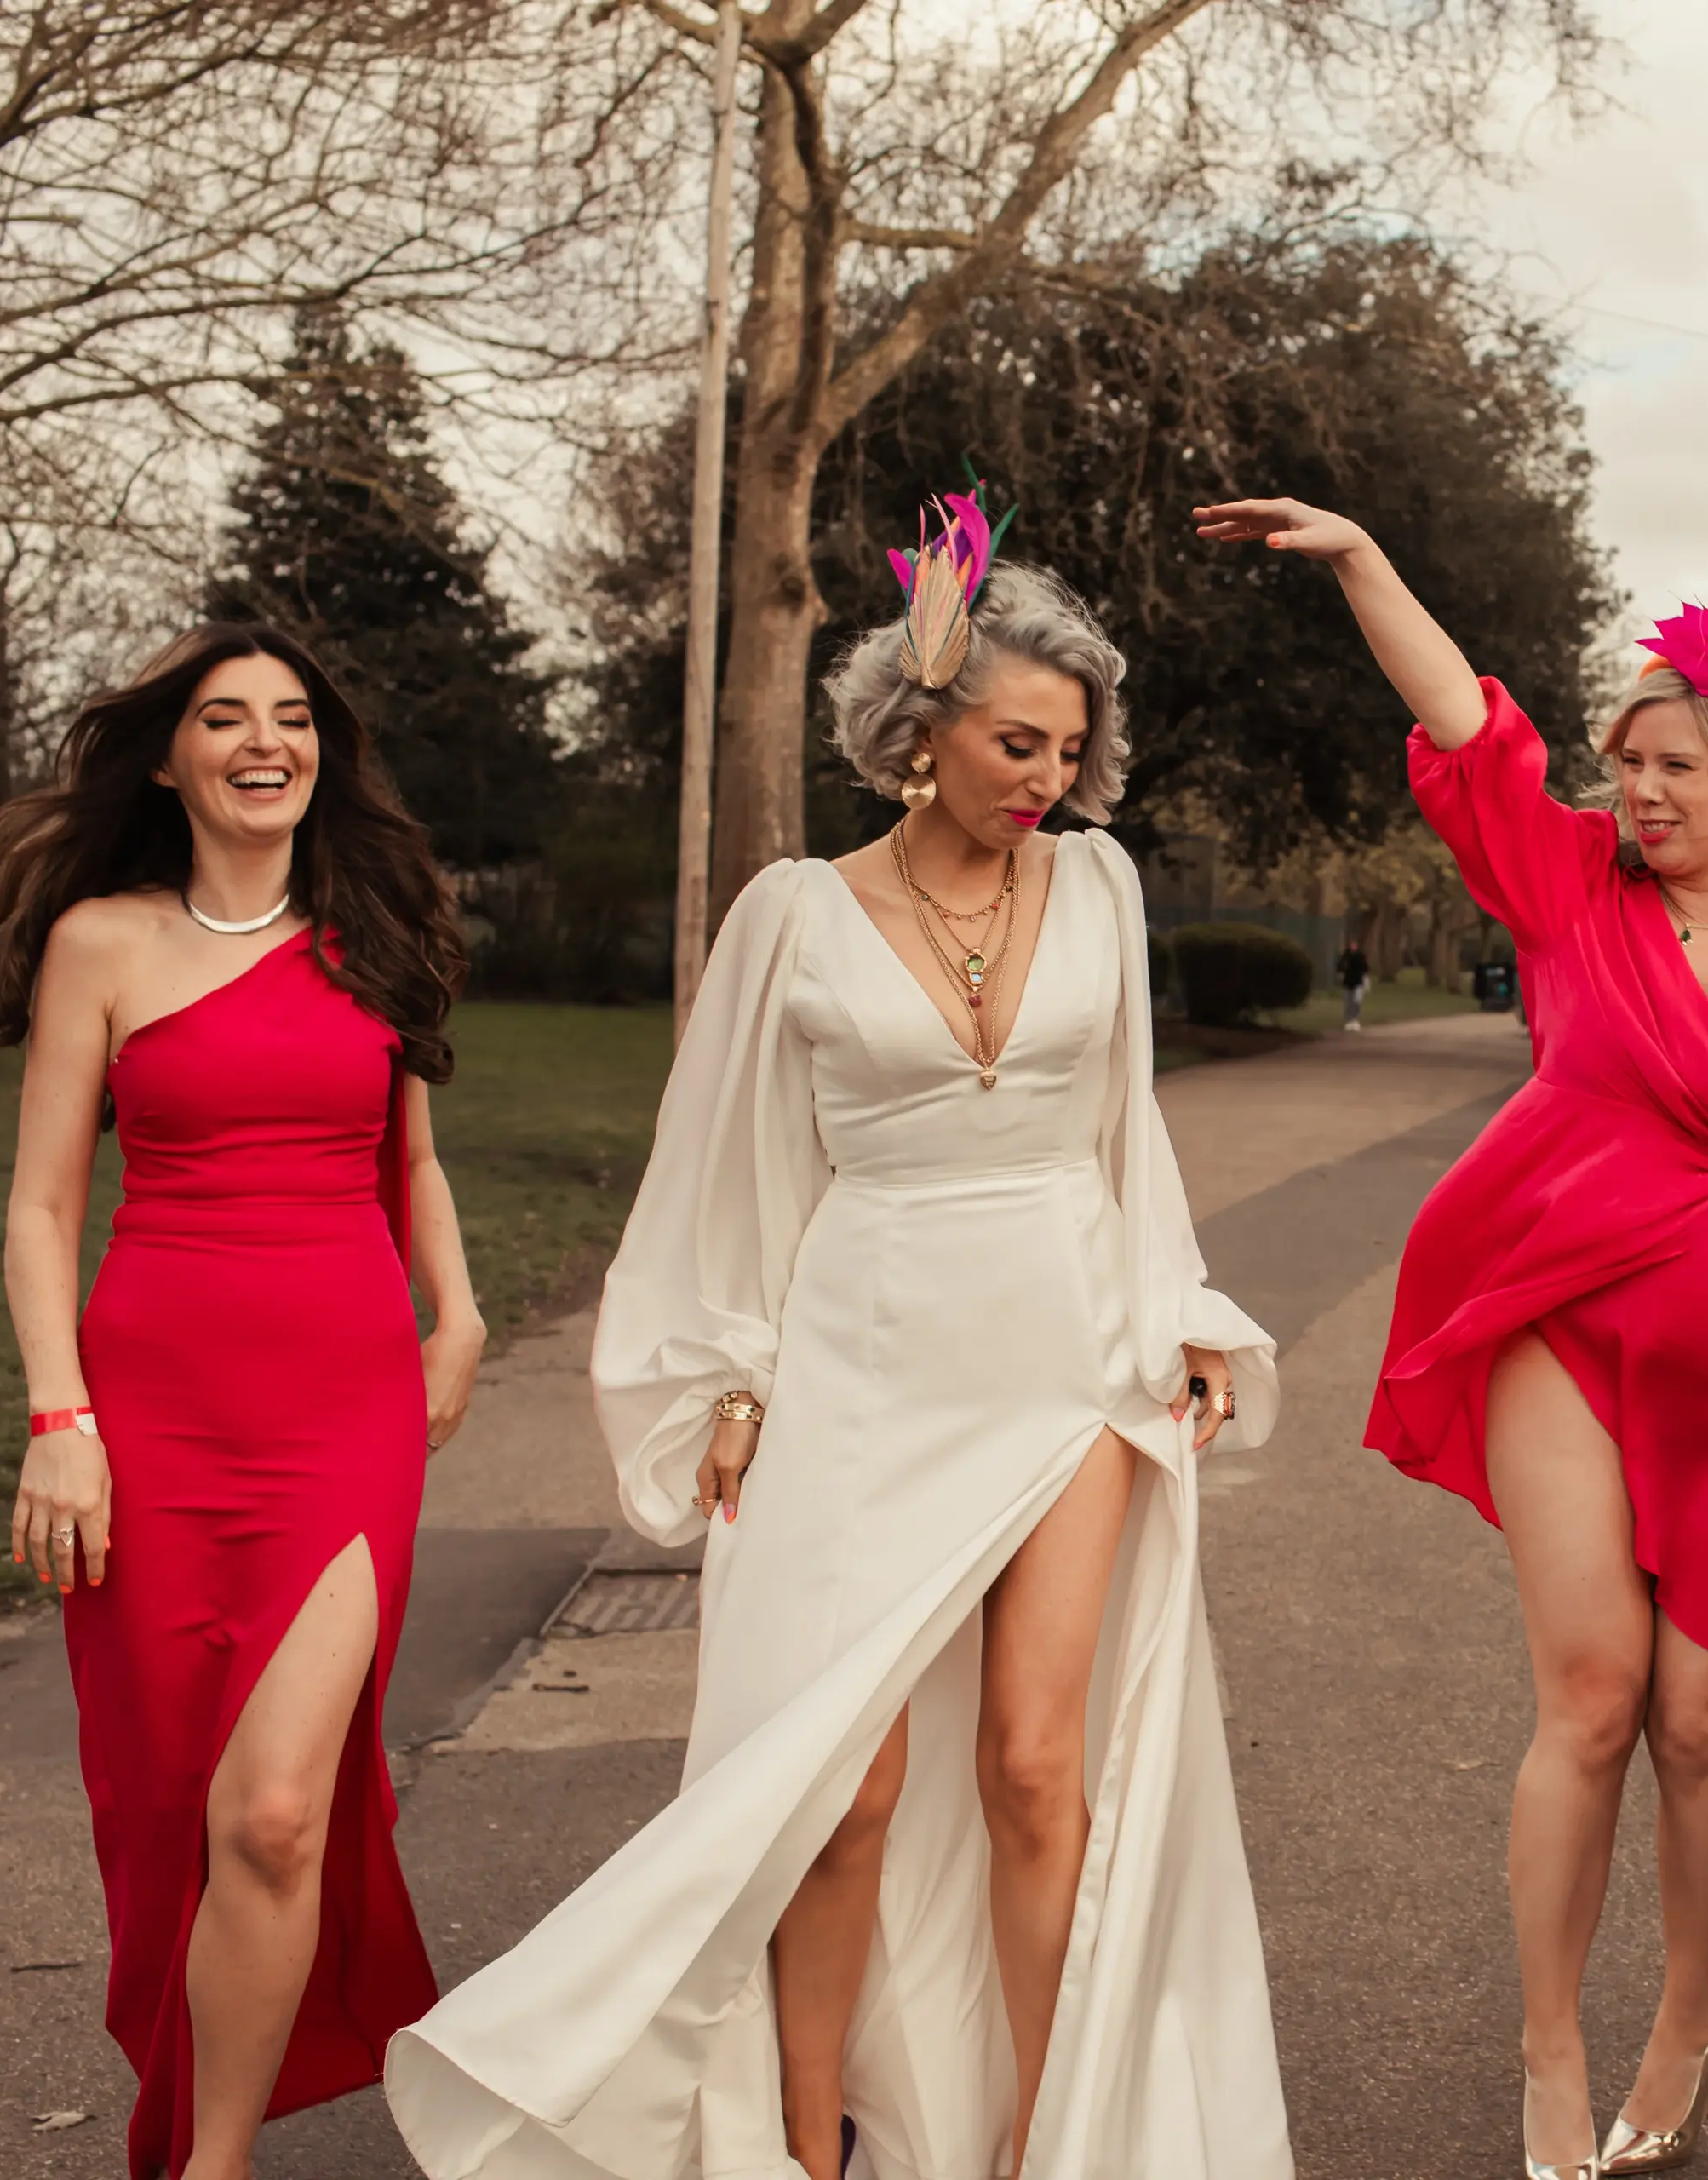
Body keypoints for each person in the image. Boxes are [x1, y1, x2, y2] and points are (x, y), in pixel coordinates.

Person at [385, 515, 1289, 2180]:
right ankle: (809, 2145)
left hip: (1072, 1358)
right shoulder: (790, 915)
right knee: (841, 1793)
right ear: (919, 724)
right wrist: (730, 1372)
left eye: (1071, 747)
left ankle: (1041, 2136)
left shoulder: (1095, 882)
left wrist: (1187, 1314)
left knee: (1035, 1762)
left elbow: (1124, 1142)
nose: (1048, 774)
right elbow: (727, 1173)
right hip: (860, 1367)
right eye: (1018, 739)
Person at [1196, 496, 1708, 2180]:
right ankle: (1545, 2050)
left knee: (1700, 1727)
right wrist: (1372, 558)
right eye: (1627, 762)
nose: (1642, 791)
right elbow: (1471, 726)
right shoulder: (1569, 885)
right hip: (1553, 1313)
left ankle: (1683, 2019)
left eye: (1676, 763)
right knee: (1592, 1694)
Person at [0, 624, 481, 2180]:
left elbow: (416, 1159)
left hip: (345, 1409)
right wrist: (62, 1422)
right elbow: (45, 1208)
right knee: (173, 1801)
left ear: (324, 752)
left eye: (294, 718)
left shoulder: (379, 924)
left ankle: (213, 2163)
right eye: (227, 718)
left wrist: (456, 1317)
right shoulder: (101, 943)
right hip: (153, 1409)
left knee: (274, 1813)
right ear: (170, 757)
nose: (267, 742)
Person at [1340, 936, 1373, 1030]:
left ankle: (1355, 1019)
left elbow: (1366, 968)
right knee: (1348, 1002)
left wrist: (1365, 979)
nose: (1353, 946)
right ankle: (1349, 1019)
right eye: (1352, 944)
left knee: (1357, 1001)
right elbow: (1340, 967)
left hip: (1358, 983)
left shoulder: (1360, 956)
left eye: (1355, 944)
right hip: (1347, 983)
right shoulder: (1346, 956)